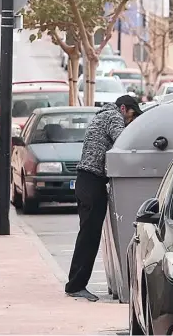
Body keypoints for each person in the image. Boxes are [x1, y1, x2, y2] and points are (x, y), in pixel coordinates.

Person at [65, 95, 143, 302]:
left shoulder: (102, 116)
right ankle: (76, 285)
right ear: (124, 108)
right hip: (91, 182)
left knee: (88, 235)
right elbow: (124, 141)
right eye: (131, 116)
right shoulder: (113, 117)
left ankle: (76, 283)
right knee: (89, 237)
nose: (130, 121)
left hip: (86, 181)